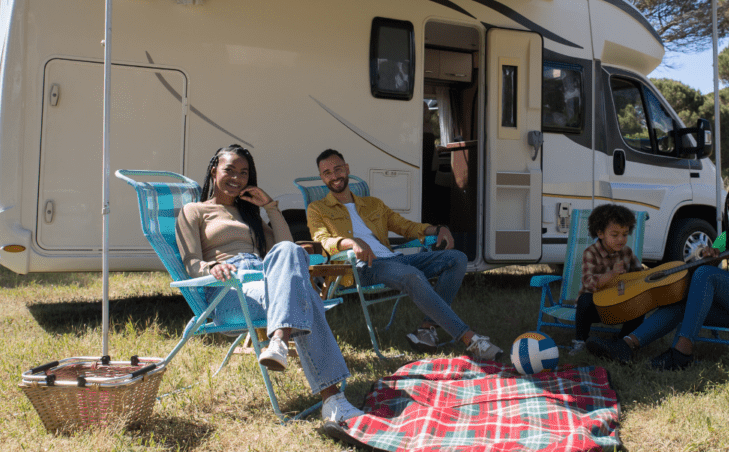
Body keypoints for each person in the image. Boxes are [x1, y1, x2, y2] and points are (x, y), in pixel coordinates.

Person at [175, 144, 361, 422]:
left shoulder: (248, 214)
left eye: (244, 173)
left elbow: (286, 246)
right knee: (306, 297)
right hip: (228, 289)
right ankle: (333, 400)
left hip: (265, 280)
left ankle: (278, 342)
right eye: (229, 170)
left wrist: (270, 207)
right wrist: (212, 266)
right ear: (214, 171)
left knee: (291, 251)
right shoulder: (194, 210)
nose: (236, 177)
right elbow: (190, 263)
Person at [308, 148, 504, 361]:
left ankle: (426, 329)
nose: (334, 176)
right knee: (410, 274)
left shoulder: (373, 204)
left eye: (338, 169)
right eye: (327, 173)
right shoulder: (317, 209)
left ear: (347, 169)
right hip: (362, 267)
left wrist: (436, 229)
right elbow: (322, 241)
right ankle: (470, 339)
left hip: (393, 260)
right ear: (322, 178)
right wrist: (351, 242)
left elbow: (404, 226)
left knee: (456, 258)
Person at [586, 179, 729, 370]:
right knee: (685, 294)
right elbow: (703, 278)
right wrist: (710, 257)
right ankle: (626, 345)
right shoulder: (727, 237)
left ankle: (681, 353)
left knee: (706, 274)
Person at [569, 204, 645, 356]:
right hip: (597, 308)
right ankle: (581, 342)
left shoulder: (627, 252)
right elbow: (588, 282)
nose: (621, 239)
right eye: (615, 235)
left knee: (640, 304)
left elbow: (639, 274)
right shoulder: (590, 252)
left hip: (619, 305)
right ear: (600, 233)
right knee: (584, 299)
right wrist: (611, 274)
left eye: (624, 234)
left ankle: (623, 342)